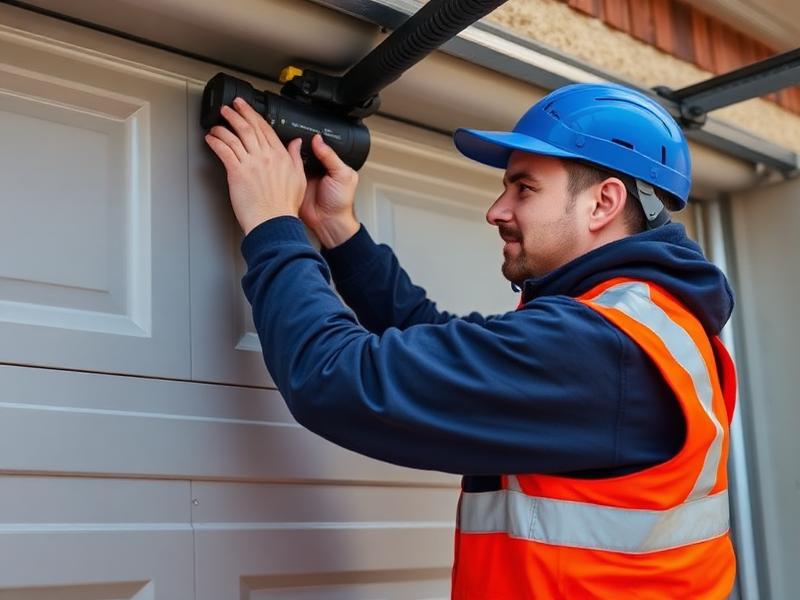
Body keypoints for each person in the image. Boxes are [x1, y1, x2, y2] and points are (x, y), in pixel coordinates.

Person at [205, 83, 737, 599]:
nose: (497, 210)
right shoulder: (640, 325)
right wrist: (338, 231)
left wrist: (273, 222)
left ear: (603, 203)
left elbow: (338, 380)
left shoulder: (603, 348)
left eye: (524, 188)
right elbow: (439, 343)